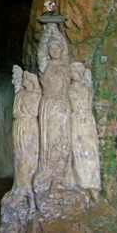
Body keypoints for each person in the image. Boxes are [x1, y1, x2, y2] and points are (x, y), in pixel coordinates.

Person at [34, 23, 73, 194]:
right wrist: (49, 30)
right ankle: (49, 175)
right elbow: (40, 53)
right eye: (52, 48)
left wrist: (56, 31)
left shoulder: (65, 65)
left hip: (63, 103)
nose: (55, 50)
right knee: (50, 140)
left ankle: (61, 176)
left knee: (64, 140)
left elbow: (65, 49)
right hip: (49, 104)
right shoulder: (45, 65)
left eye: (58, 48)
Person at [69, 62, 101, 199]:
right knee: (77, 151)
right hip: (75, 121)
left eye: (79, 71)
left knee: (91, 152)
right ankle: (81, 183)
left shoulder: (87, 88)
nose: (76, 73)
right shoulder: (68, 90)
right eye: (74, 70)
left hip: (87, 122)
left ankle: (93, 184)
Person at [11, 66, 41, 214]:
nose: (24, 82)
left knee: (28, 158)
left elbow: (34, 110)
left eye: (26, 80)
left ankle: (28, 191)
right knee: (18, 157)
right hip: (18, 126)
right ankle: (20, 188)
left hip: (29, 126)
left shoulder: (35, 95)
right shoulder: (20, 94)